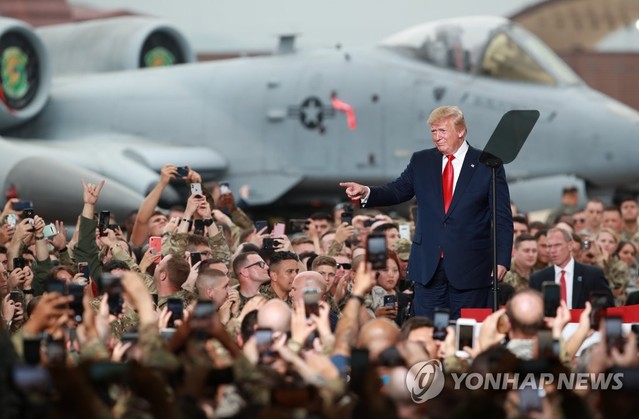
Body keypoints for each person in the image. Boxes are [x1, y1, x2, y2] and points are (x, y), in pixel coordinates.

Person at [340, 105, 513, 319]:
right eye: (433, 131)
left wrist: (502, 259)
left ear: (461, 131)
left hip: (471, 269)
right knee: (425, 330)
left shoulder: (488, 164)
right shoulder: (422, 161)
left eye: (443, 131)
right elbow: (398, 190)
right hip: (428, 267)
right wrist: (367, 191)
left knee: (467, 332)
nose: (437, 137)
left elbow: (502, 217)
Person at [529, 227, 613, 309]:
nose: (553, 251)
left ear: (570, 245)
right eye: (549, 246)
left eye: (557, 245)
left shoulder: (592, 275)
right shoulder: (537, 279)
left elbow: (607, 307)